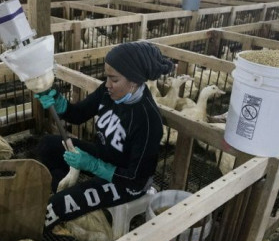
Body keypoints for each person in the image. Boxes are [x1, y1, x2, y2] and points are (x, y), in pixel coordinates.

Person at [36, 41, 175, 230]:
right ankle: (63, 187)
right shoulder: (108, 92)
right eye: (107, 77)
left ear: (134, 81)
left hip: (125, 182)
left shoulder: (147, 121)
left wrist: (92, 165)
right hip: (104, 156)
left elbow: (136, 178)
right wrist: (60, 103)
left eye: (114, 80)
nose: (108, 84)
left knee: (59, 204)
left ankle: (39, 224)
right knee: (47, 145)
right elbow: (78, 114)